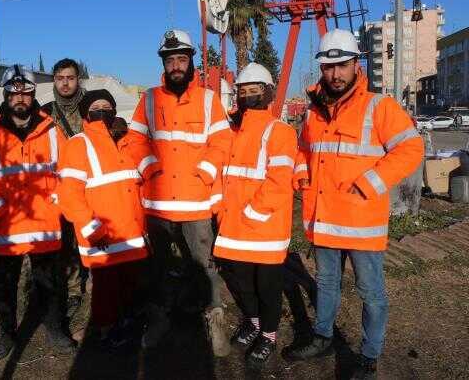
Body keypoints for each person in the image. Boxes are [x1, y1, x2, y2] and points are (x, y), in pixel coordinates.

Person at [283, 29, 424, 379]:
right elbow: (303, 149)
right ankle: (323, 337)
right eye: (329, 66)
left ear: (356, 64)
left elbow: (411, 148)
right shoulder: (314, 112)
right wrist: (301, 175)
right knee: (327, 284)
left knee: (371, 293)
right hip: (325, 221)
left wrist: (370, 183)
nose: (335, 74)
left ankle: (368, 356)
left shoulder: (379, 106)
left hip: (362, 223)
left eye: (342, 65)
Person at [127, 29, 232, 357]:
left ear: (191, 63)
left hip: (195, 204)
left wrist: (203, 174)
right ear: (164, 63)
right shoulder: (148, 99)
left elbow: (222, 142)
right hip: (157, 206)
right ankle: (159, 318)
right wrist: (150, 168)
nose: (176, 66)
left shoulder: (207, 100)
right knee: (158, 268)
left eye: (181, 59)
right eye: (170, 60)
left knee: (205, 267)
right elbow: (134, 141)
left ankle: (214, 320)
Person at [0, 65, 73, 359]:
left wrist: (59, 204)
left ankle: (55, 330)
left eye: (25, 93)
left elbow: (69, 172)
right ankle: (7, 335)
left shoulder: (52, 130)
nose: (20, 99)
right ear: (6, 97)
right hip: (7, 228)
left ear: (33, 94)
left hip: (45, 224)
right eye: (14, 95)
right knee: (5, 286)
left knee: (50, 283)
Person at [213, 63, 297, 371]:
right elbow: (223, 175)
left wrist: (251, 212)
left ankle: (269, 335)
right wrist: (221, 212)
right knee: (243, 285)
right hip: (234, 228)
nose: (248, 96)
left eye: (254, 91)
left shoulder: (281, 132)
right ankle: (254, 322)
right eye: (243, 91)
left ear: (268, 93)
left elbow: (278, 183)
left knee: (268, 287)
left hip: (265, 230)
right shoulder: (232, 132)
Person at [57, 89, 152, 348]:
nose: (102, 110)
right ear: (86, 113)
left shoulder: (126, 142)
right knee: (105, 290)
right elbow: (69, 195)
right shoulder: (78, 144)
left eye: (107, 106)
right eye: (96, 106)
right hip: (103, 237)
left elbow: (137, 186)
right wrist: (94, 230)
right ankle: (106, 330)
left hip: (131, 234)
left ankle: (128, 324)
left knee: (131, 285)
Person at [42, 58, 89, 340]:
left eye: (70, 77)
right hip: (58, 188)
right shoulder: (45, 113)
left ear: (78, 78)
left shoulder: (92, 107)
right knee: (64, 244)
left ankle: (96, 287)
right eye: (60, 78)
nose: (65, 83)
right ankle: (72, 290)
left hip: (88, 185)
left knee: (90, 237)